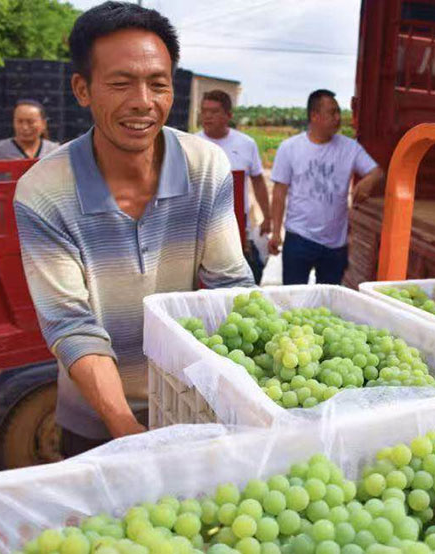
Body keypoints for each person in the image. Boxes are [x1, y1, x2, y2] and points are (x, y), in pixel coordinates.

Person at [13, 1, 254, 457]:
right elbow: (72, 325)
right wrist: (124, 427)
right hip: (94, 418)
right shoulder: (44, 191)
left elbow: (231, 286)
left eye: (158, 85)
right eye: (121, 83)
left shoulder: (205, 167)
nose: (143, 102)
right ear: (82, 89)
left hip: (190, 403)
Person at [269, 89, 383, 285]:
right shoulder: (290, 148)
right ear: (315, 116)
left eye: (339, 111)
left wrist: (369, 180)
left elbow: (378, 172)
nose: (338, 117)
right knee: (294, 301)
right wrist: (276, 232)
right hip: (299, 238)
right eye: (332, 112)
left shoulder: (350, 148)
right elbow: (279, 192)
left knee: (328, 302)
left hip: (335, 244)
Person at [196, 90, 271, 284]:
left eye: (214, 111)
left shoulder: (246, 144)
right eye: (204, 111)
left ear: (229, 115)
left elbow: (258, 182)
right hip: (200, 230)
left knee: (238, 285)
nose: (207, 116)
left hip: (238, 229)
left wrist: (267, 217)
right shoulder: (191, 144)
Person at [0, 99, 60, 183]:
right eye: (19, 121)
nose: (25, 127)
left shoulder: (55, 150)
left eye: (30, 122)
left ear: (43, 124)